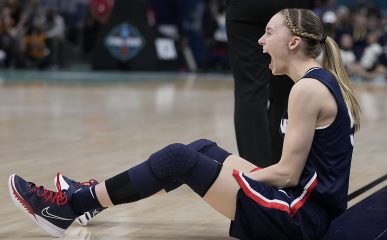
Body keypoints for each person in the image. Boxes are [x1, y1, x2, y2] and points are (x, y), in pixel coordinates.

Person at [8, 8, 361, 240]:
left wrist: (229, 178)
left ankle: (69, 206)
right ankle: (89, 200)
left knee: (180, 159)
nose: (260, 40)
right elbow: (292, 174)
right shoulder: (315, 82)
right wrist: (220, 172)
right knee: (202, 149)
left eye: (268, 33)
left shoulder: (307, 90)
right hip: (303, 205)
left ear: (294, 42)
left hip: (298, 219)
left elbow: (286, 175)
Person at [226, 0, 314, 168]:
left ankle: (255, 172)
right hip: (290, 5)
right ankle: (282, 167)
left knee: (249, 89)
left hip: (245, 7)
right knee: (287, 88)